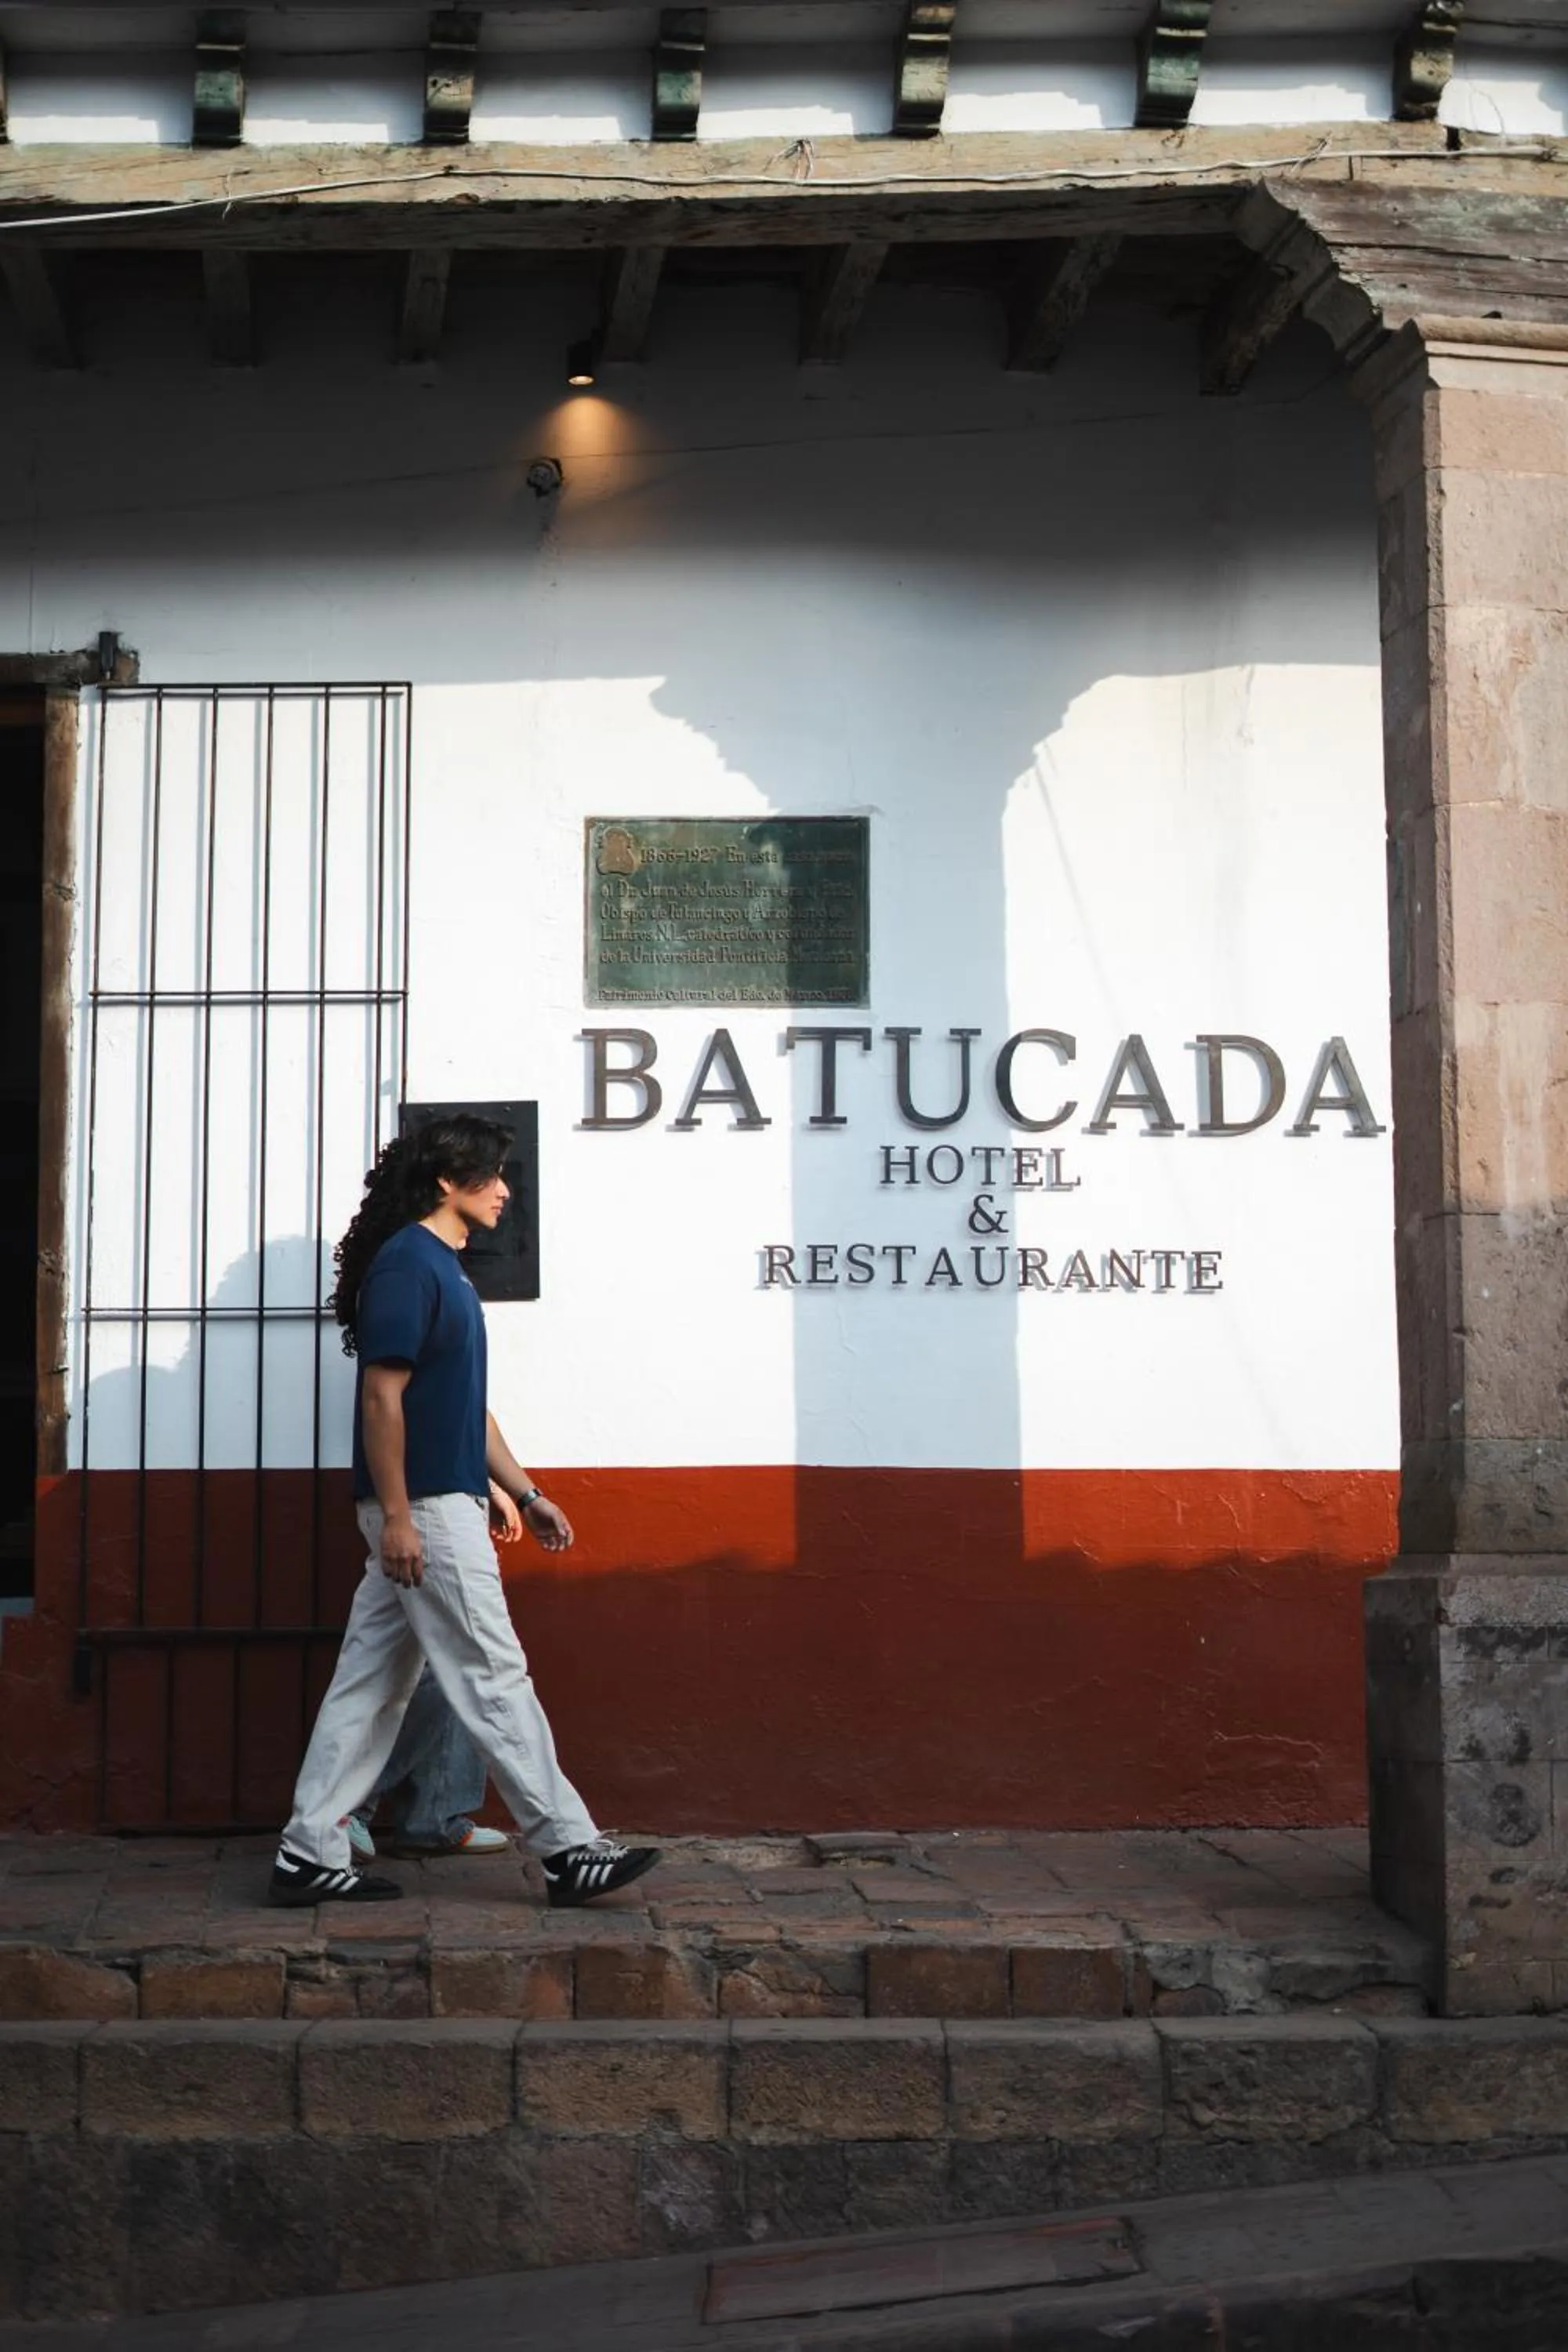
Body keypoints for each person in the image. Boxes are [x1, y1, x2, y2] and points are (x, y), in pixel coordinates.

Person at [270, 1113, 659, 1909]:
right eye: (492, 1175)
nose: (505, 1191)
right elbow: (381, 1398)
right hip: (427, 1511)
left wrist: (526, 1492)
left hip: (438, 1503)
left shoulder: (444, 1271)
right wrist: (398, 1516)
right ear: (448, 1182)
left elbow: (466, 1409)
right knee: (492, 1673)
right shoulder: (408, 1266)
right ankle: (567, 1848)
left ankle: (308, 1852)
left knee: (369, 1687)